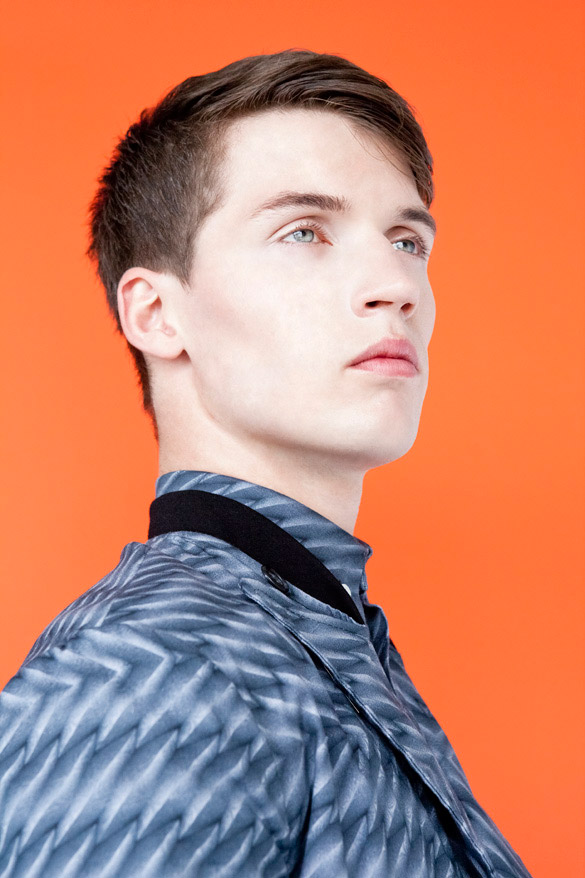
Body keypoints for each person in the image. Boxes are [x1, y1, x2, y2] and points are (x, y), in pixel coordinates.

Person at [0, 50, 532, 877]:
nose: (393, 283)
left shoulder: (319, 627)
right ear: (157, 313)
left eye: (405, 240)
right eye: (303, 232)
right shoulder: (159, 676)